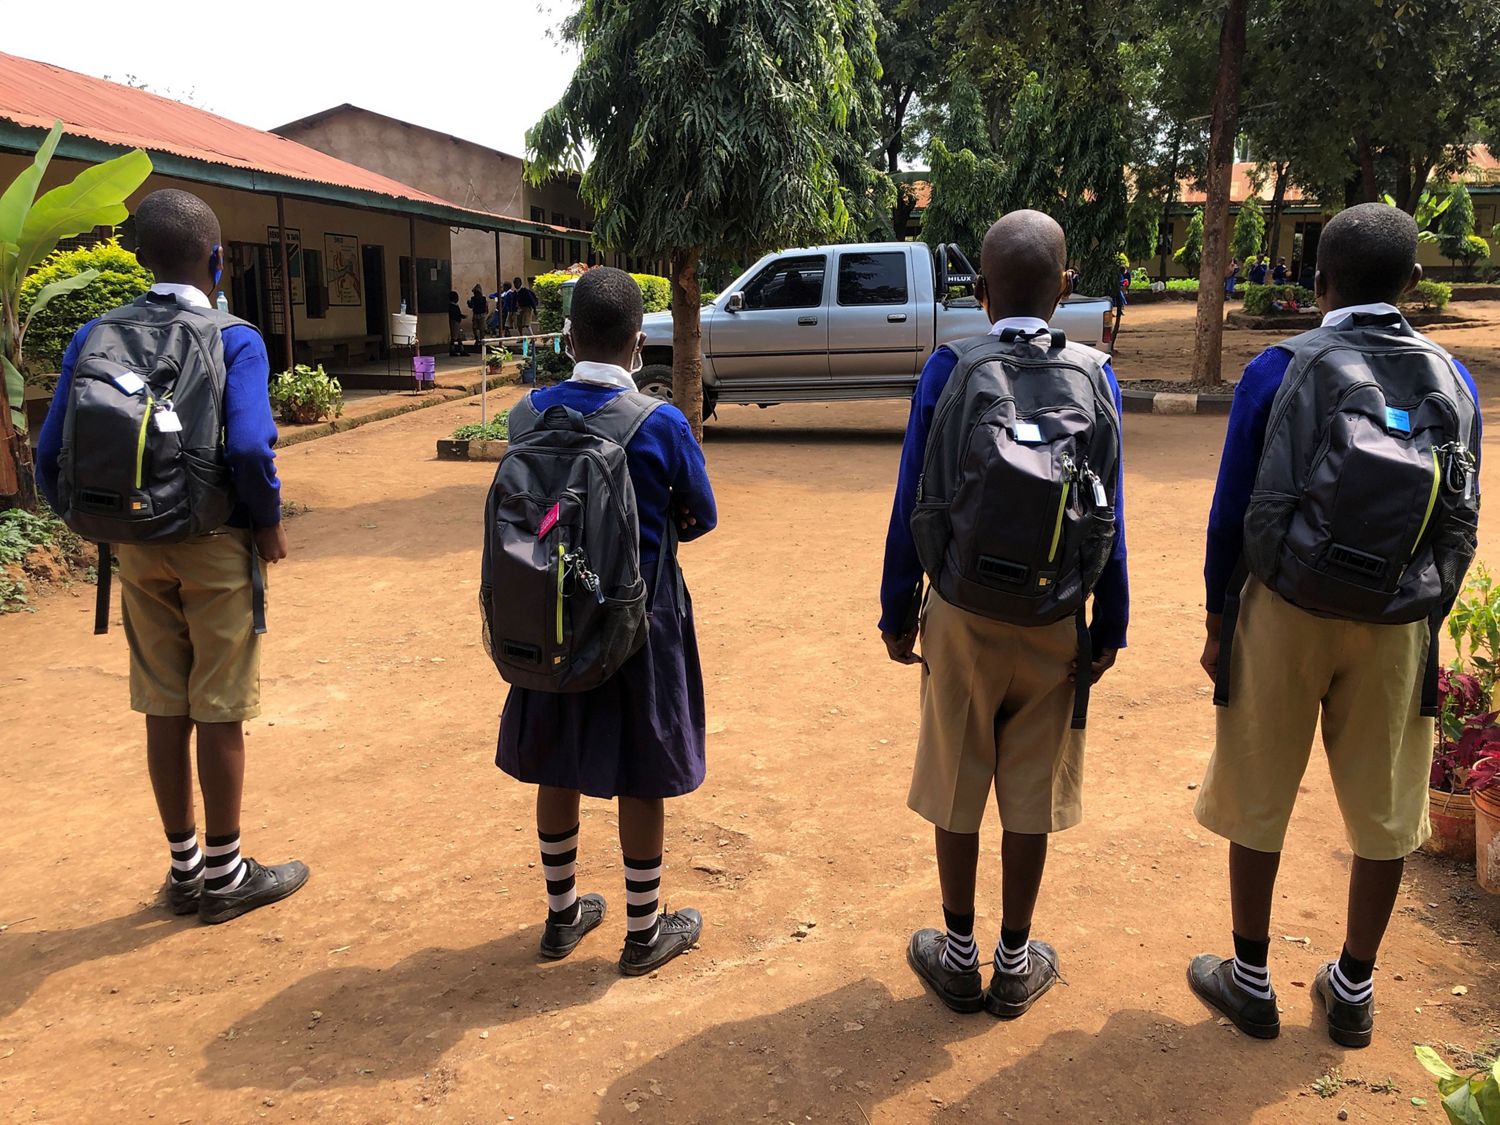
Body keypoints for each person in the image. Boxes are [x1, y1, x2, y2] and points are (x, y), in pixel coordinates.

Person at [1190, 203, 1482, 1048]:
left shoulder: (1278, 368)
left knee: (1258, 788)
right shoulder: (1453, 380)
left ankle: (1249, 979)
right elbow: (1459, 516)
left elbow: (1231, 514)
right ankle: (1352, 986)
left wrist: (1218, 619)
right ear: (1415, 285)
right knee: (1385, 806)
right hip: (1397, 619)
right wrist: (1424, 617)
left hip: (1284, 606)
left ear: (1315, 283)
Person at [880, 211, 1129, 1018]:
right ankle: (1015, 959)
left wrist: (898, 608)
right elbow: (1109, 510)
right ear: (1066, 286)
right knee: (1031, 789)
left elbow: (914, 493)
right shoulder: (1098, 374)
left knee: (957, 777)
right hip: (1057, 614)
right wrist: (1108, 621)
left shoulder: (949, 366)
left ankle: (956, 955)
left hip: (959, 606)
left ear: (980, 293)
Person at [35, 189, 307, 924]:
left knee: (162, 701)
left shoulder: (95, 332)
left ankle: (184, 868)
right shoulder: (234, 337)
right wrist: (268, 522)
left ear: (139, 258)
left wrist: (96, 522)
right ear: (216, 260)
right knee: (220, 705)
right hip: (214, 544)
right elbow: (250, 446)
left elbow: (48, 451)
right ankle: (227, 874)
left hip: (135, 547)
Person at [496, 266, 717, 975]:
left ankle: (563, 916)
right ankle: (644, 930)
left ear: (566, 339)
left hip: (547, 614)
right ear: (639, 343)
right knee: (640, 772)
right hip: (638, 625)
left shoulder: (525, 415)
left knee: (556, 759)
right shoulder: (661, 422)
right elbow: (702, 514)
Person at [447, 290, 467, 356]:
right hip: (454, 322)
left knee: (459, 337)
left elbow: (458, 314)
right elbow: (454, 315)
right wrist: (460, 316)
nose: (457, 299)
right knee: (454, 337)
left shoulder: (455, 305)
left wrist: (461, 316)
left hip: (457, 322)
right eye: (456, 297)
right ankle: (452, 350)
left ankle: (461, 350)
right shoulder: (452, 306)